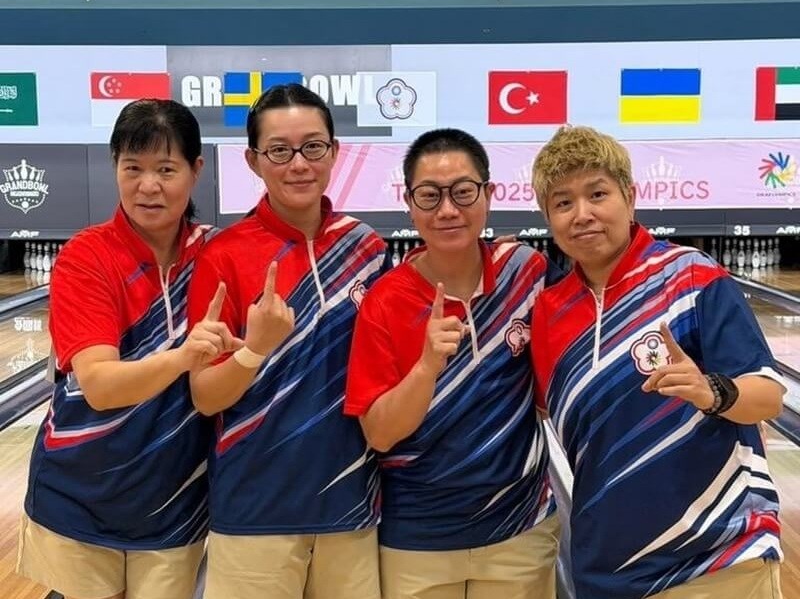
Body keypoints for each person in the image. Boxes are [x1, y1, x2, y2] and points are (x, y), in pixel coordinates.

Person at [530, 125, 785, 599]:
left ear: (630, 195)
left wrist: (714, 392)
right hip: (608, 571)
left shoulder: (693, 275)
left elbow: (768, 396)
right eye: (563, 203)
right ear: (548, 217)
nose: (582, 214)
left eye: (597, 194)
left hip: (719, 562)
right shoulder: (548, 313)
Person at [17, 99, 241, 599]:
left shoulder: (218, 254)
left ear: (195, 170)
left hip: (178, 498)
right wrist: (185, 355)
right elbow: (99, 386)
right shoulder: (87, 257)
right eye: (132, 168)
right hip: (81, 491)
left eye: (166, 169)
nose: (148, 186)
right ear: (114, 165)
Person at [186, 83, 387, 599]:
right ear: (254, 161)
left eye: (313, 147)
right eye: (279, 150)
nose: (299, 164)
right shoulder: (224, 257)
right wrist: (254, 349)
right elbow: (205, 395)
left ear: (335, 152)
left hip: (351, 508)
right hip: (254, 513)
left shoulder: (367, 248)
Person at [345, 128, 561, 599]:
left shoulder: (527, 271)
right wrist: (426, 368)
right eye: (430, 196)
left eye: (463, 192)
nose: (447, 210)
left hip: (519, 531)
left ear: (490, 194)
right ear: (409, 203)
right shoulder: (385, 301)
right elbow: (379, 434)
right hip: (417, 541)